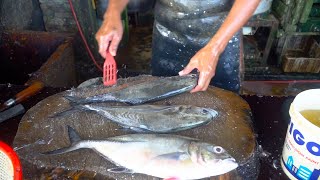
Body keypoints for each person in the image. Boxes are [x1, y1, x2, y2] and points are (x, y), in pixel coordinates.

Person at [95, 0, 260, 93]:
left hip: (221, 35)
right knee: (164, 100)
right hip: (167, 34)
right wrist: (113, 13)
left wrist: (215, 48)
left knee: (221, 105)